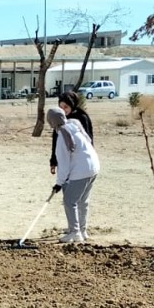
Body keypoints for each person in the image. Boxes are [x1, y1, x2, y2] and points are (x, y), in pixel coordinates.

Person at [47, 107, 100, 243]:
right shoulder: (74, 125)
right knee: (82, 201)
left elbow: (63, 164)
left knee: (69, 201)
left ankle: (75, 232)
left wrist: (59, 183)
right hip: (93, 167)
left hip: (81, 171)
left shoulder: (62, 136)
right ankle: (82, 230)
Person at [50, 91, 93, 175]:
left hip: (80, 160)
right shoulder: (59, 118)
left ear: (72, 105)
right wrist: (53, 161)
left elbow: (88, 140)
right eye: (60, 107)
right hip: (64, 159)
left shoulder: (81, 117)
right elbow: (55, 140)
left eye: (66, 107)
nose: (63, 110)